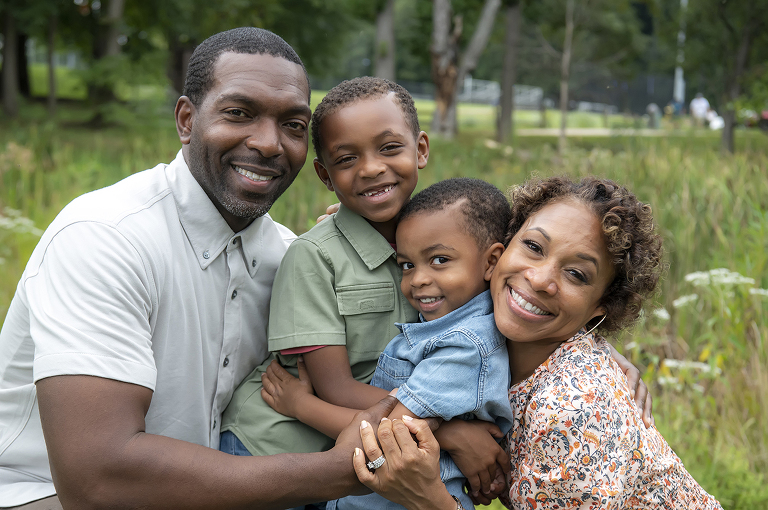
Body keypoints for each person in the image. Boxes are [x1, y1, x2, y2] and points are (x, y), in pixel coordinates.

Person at [0, 27, 401, 510]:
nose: (269, 143)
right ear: (187, 119)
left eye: (294, 125)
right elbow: (96, 481)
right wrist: (339, 472)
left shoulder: (295, 259)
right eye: (238, 113)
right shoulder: (105, 237)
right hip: (43, 494)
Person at [219, 78, 511, 505]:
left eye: (390, 148)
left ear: (421, 150)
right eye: (347, 158)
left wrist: (595, 345)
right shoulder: (314, 257)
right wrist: (447, 432)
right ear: (325, 174)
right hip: (274, 449)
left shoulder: (447, 237)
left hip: (362, 455)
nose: (372, 168)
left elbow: (534, 272)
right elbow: (335, 389)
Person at [353, 176, 722, 509]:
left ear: (599, 307)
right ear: (499, 250)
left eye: (577, 274)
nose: (541, 279)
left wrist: (429, 499)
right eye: (533, 246)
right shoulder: (481, 322)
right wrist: (351, 223)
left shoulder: (573, 411)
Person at [262, 178, 516, 510]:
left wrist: (299, 405)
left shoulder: (465, 346)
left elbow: (388, 429)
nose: (418, 279)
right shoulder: (451, 319)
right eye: (407, 265)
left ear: (491, 262)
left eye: (439, 260)